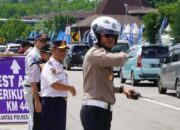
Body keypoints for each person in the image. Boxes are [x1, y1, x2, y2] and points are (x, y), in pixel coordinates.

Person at [80, 16, 136, 130]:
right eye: (107, 35)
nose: (111, 38)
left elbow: (103, 85)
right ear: (96, 34)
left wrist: (122, 89)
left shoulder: (102, 55)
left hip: (102, 111)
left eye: (114, 36)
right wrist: (128, 53)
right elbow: (118, 60)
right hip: (94, 111)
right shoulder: (95, 54)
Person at [40, 40, 76, 130]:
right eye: (61, 50)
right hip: (51, 103)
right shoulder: (50, 66)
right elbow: (54, 84)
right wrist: (70, 88)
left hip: (60, 103)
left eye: (65, 50)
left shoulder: (59, 65)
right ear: (53, 50)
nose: (63, 53)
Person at [23, 33, 49, 130]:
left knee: (35, 115)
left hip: (37, 87)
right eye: (41, 41)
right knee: (34, 115)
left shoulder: (41, 53)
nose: (44, 43)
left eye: (45, 41)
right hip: (31, 87)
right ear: (35, 42)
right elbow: (33, 77)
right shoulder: (33, 55)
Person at [30, 44, 52, 130]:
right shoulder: (36, 66)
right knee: (39, 123)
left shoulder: (53, 64)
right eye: (49, 54)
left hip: (50, 98)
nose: (50, 56)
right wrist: (37, 101)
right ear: (42, 54)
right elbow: (34, 84)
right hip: (40, 98)